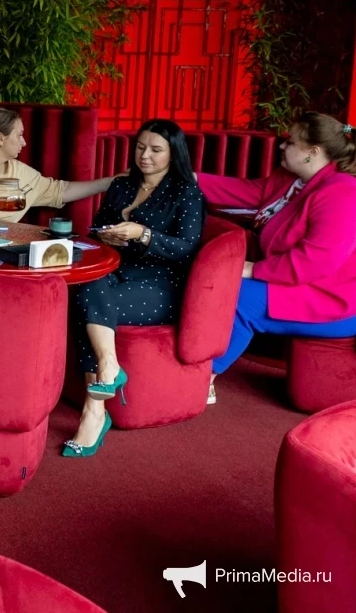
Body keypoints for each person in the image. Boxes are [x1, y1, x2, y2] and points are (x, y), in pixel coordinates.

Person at [198, 112, 356, 404]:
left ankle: (202, 380)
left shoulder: (344, 193)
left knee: (238, 297)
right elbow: (249, 193)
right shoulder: (294, 178)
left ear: (313, 152)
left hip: (332, 299)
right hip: (302, 284)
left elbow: (316, 261)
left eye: (291, 142)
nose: (281, 146)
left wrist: (253, 270)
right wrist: (188, 179)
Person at [62, 119, 205, 458]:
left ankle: (94, 412)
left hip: (160, 284)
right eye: (141, 147)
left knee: (88, 302)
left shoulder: (187, 193)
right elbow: (97, 227)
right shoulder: (122, 185)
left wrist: (144, 234)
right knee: (87, 284)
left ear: (174, 154)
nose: (145, 156)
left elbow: (187, 248)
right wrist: (106, 235)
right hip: (116, 271)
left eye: (156, 150)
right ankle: (108, 370)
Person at [0, 108, 116, 223]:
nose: (24, 142)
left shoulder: (21, 173)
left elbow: (61, 191)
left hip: (2, 248)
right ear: (0, 138)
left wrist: (111, 182)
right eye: (19, 135)